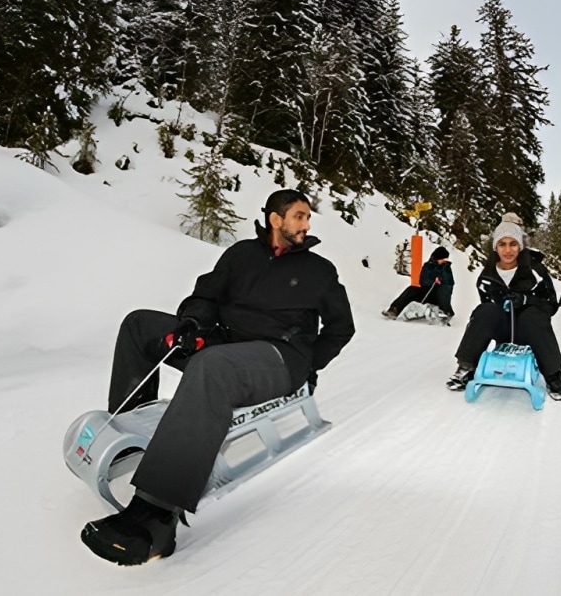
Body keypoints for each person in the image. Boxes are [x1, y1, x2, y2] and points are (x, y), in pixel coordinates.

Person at [80, 189, 355, 566]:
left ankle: (157, 516)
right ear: (276, 219)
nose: (307, 224)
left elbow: (342, 328)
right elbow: (205, 295)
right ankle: (136, 432)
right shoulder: (241, 255)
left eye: (308, 217)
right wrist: (192, 324)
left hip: (279, 357)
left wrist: (308, 366)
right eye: (300, 216)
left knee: (213, 366)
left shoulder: (319, 271)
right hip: (229, 341)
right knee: (140, 324)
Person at [446, 213, 561, 400]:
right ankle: (466, 367)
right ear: (495, 247)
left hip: (529, 329)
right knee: (484, 311)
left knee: (533, 317)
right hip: (503, 329)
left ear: (520, 246)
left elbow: (551, 305)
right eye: (502, 244)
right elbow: (487, 311)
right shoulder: (486, 276)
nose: (508, 250)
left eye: (513, 244)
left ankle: (554, 375)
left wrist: (526, 300)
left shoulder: (535, 271)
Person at [382, 246, 455, 319]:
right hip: (426, 293)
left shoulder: (446, 267)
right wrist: (433, 282)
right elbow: (422, 281)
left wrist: (441, 278)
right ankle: (394, 309)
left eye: (446, 258)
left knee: (443, 288)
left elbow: (449, 283)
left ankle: (446, 311)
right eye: (443, 258)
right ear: (437, 258)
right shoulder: (427, 266)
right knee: (411, 289)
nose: (445, 260)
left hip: (439, 297)